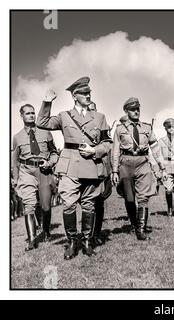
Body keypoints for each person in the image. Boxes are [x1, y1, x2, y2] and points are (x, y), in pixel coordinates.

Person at [36, 77, 112, 259]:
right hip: (69, 166)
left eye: (89, 93)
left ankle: (86, 241)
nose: (88, 95)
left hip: (92, 166)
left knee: (88, 206)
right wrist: (47, 102)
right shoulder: (64, 116)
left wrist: (95, 150)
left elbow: (108, 142)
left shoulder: (100, 117)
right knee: (69, 204)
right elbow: (42, 123)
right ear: (74, 96)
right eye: (84, 93)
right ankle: (72, 241)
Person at [111, 97, 166, 240]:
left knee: (143, 197)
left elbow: (155, 148)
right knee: (129, 199)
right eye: (133, 109)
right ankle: (135, 223)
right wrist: (115, 170)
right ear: (126, 111)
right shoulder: (119, 129)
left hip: (142, 163)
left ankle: (140, 230)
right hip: (126, 163)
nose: (136, 112)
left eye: (138, 109)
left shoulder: (147, 128)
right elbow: (116, 150)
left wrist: (161, 165)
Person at [13, 104, 59, 250]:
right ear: (21, 116)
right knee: (29, 205)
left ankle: (45, 230)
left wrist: (50, 162)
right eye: (28, 113)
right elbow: (14, 161)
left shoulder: (45, 132)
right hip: (27, 171)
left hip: (44, 171)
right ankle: (32, 240)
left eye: (33, 113)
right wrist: (15, 179)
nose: (32, 115)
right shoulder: (17, 137)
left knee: (45, 205)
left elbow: (54, 152)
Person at [86, 102, 113, 246]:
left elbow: (108, 146)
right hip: (85, 169)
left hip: (101, 169)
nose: (91, 113)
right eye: (88, 110)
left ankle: (96, 234)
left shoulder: (102, 125)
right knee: (87, 203)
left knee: (99, 203)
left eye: (93, 110)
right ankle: (87, 235)